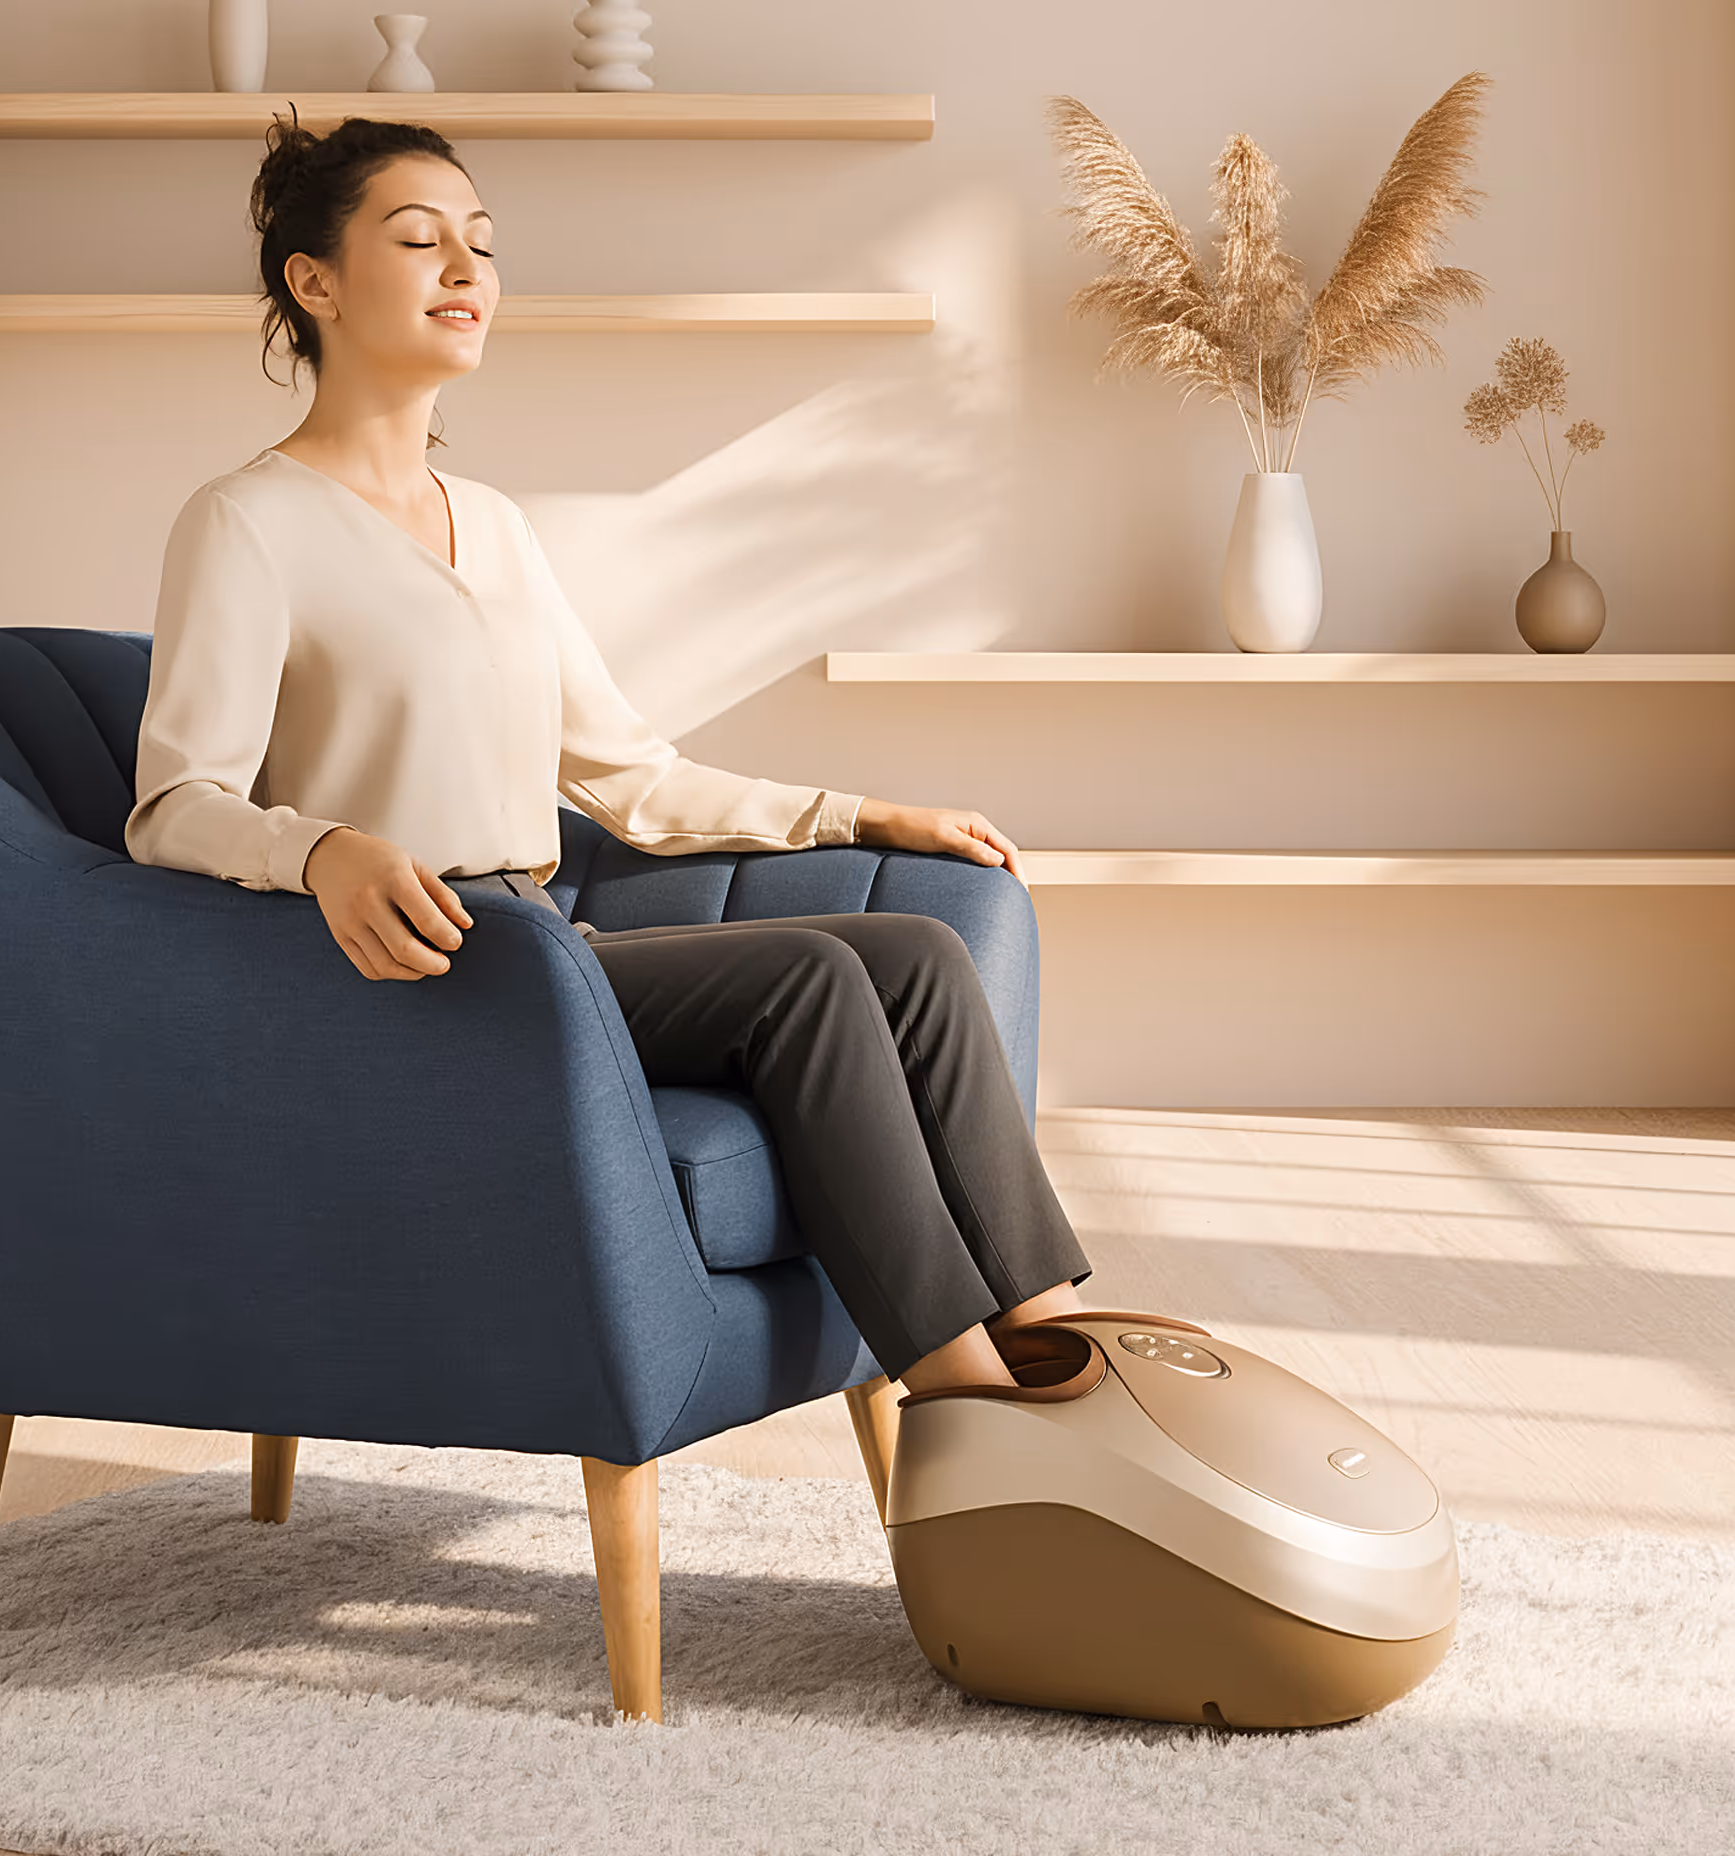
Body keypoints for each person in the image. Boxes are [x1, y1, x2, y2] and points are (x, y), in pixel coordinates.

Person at [124, 111, 1097, 1398]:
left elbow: (632, 777)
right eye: (417, 240)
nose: (466, 269)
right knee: (808, 981)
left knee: (916, 952)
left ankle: (1065, 1344)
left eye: (481, 243)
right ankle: (968, 1397)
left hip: (536, 940)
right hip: (406, 972)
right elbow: (172, 804)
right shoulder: (246, 520)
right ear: (315, 282)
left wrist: (862, 812)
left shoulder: (493, 524)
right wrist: (322, 851)